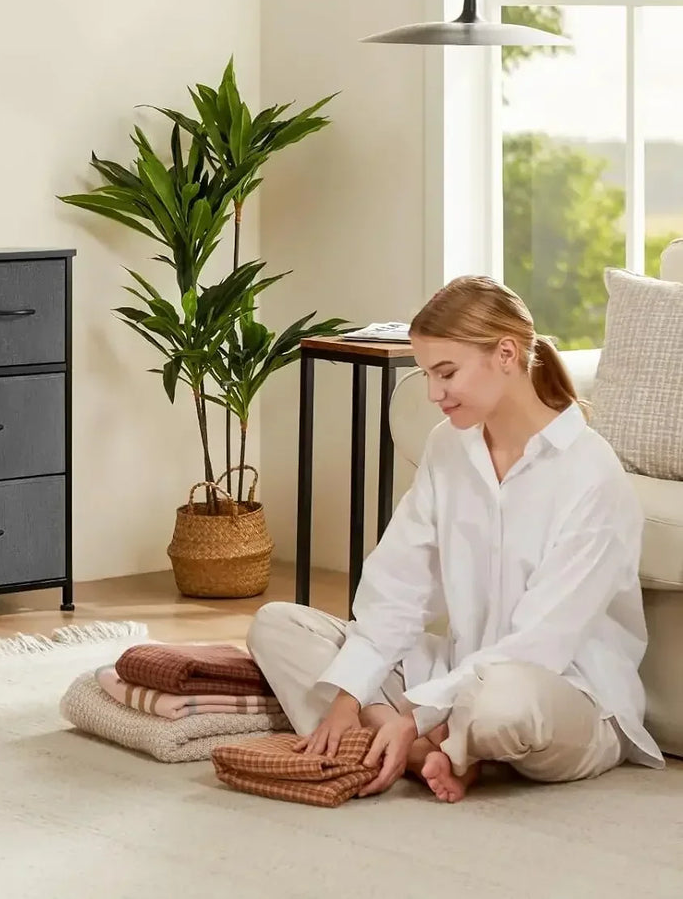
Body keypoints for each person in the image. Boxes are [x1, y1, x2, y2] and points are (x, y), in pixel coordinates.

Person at [247, 275, 664, 802]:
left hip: (564, 693)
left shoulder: (591, 473)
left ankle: (412, 735)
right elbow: (396, 588)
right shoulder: (449, 447)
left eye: (446, 373)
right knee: (278, 626)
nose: (433, 394)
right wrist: (349, 695)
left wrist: (417, 712)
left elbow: (538, 647)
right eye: (427, 374)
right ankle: (425, 752)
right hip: (458, 672)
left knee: (502, 702)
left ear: (506, 354)